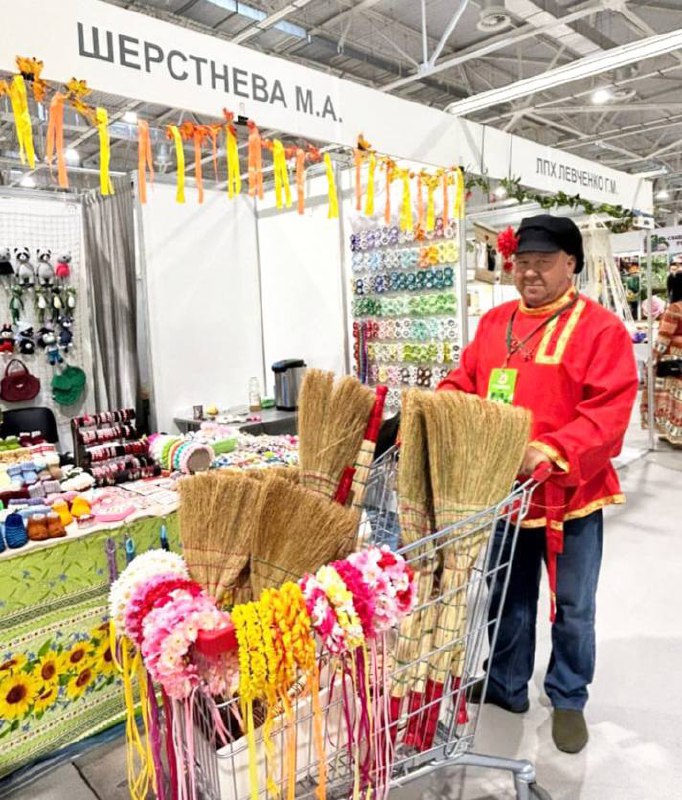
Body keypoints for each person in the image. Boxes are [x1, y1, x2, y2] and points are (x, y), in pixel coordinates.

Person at [438, 214, 639, 754]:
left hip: (571, 494)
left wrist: (549, 450)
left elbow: (609, 411)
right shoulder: (494, 322)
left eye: (543, 262)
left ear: (570, 264)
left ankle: (569, 696)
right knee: (507, 593)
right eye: (521, 262)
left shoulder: (601, 329)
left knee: (573, 604)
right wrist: (439, 406)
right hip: (504, 492)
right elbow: (465, 380)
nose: (529, 272)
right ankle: (505, 684)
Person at [642, 271, 682, 445]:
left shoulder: (674, 309)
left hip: (673, 360)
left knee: (670, 396)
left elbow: (664, 338)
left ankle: (673, 433)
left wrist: (653, 358)